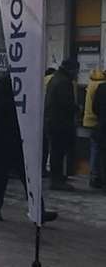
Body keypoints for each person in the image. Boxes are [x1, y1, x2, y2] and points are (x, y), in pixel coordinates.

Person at [0, 73, 59, 223]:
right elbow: (0, 110)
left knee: (29, 178)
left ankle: (38, 210)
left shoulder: (26, 83)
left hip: (21, 140)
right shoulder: (4, 84)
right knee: (1, 177)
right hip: (5, 139)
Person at [45, 58, 80, 190]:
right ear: (71, 69)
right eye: (76, 70)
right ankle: (56, 180)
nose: (77, 73)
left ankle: (57, 177)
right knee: (58, 152)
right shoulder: (64, 82)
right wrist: (77, 108)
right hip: (59, 123)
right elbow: (66, 103)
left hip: (53, 121)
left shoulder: (55, 78)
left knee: (56, 151)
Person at [88, 65, 105, 188]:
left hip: (100, 124)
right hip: (99, 123)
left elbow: (95, 107)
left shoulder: (100, 87)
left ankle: (96, 177)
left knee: (98, 151)